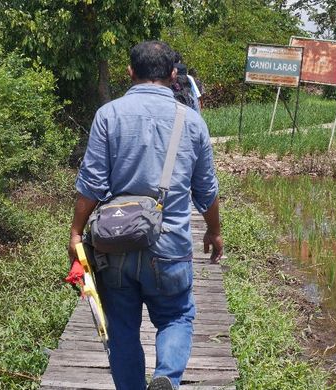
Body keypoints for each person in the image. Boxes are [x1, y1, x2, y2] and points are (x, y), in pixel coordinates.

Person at [68, 40, 223, 390]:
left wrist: (77, 233)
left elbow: (91, 184)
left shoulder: (108, 114)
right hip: (169, 246)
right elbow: (206, 192)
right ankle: (166, 376)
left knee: (122, 329)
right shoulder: (192, 122)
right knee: (176, 316)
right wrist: (213, 232)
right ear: (172, 74)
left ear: (130, 72)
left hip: (115, 246)